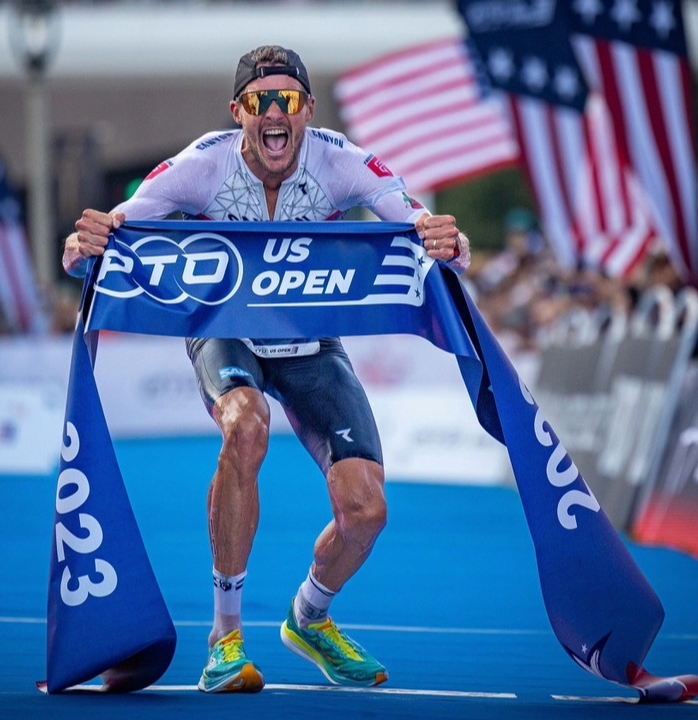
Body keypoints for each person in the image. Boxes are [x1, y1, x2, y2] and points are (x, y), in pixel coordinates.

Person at [62, 45, 470, 694]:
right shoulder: (203, 164)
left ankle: (308, 619)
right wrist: (85, 241)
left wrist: (449, 238)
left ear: (308, 109)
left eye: (288, 101)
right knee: (245, 428)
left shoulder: (339, 160)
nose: (274, 115)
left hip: (312, 346)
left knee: (366, 512)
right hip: (228, 335)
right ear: (238, 112)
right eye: (260, 102)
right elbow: (122, 223)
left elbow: (413, 217)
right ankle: (224, 638)